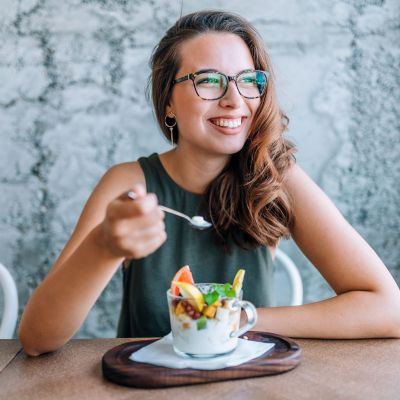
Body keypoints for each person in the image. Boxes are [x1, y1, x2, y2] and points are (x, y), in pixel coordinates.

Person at [19, 10, 400, 356]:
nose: (235, 99)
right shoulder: (130, 181)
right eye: (209, 81)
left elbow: (388, 309)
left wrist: (239, 318)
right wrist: (102, 247)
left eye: (248, 81)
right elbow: (37, 339)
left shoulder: (274, 177)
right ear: (167, 101)